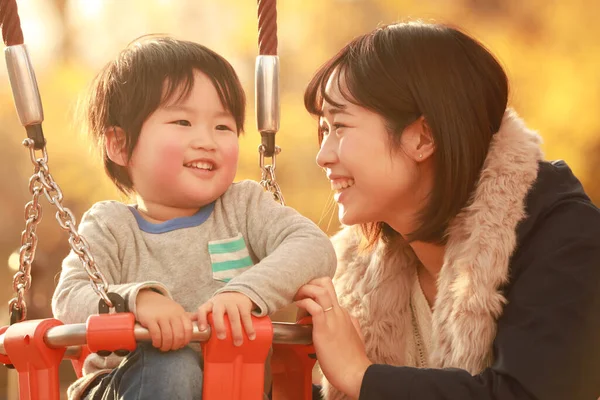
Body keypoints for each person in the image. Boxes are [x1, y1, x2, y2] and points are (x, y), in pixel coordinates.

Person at [294, 21, 600, 400]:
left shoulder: (561, 235)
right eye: (323, 129)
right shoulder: (354, 271)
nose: (322, 156)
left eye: (339, 126)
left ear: (423, 137)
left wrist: (362, 377)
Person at [51, 35, 336, 400]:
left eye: (223, 126)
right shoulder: (110, 227)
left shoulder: (244, 208)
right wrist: (138, 302)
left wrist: (244, 293)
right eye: (183, 122)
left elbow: (314, 247)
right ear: (120, 144)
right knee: (173, 364)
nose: (207, 140)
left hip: (235, 387)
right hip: (124, 386)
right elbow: (70, 297)